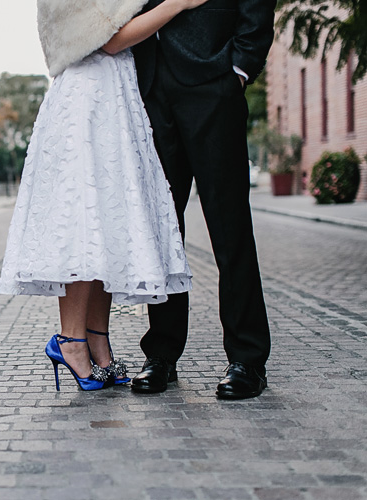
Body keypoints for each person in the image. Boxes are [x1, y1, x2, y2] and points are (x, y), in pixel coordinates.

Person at [0, 0, 208, 391]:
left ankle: (97, 340)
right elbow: (110, 40)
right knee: (84, 224)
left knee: (107, 228)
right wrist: (179, 3)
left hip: (113, 95)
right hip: (87, 102)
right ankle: (71, 341)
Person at [130, 0, 275, 399]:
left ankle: (248, 359)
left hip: (214, 80)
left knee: (230, 229)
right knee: (162, 229)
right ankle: (161, 354)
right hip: (148, 83)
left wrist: (240, 69)